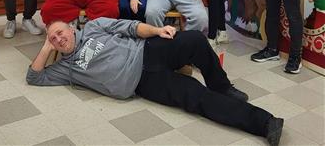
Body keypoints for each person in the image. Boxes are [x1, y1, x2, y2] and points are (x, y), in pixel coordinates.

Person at [27, 18, 284, 146]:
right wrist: (47, 48)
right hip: (142, 82)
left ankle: (222, 85)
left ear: (72, 28)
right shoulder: (65, 68)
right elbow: (34, 76)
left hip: (148, 49)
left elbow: (130, 27)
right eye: (53, 39)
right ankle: (265, 123)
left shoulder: (94, 26)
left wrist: (157, 31)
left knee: (194, 38)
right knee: (195, 96)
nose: (58, 39)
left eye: (60, 32)